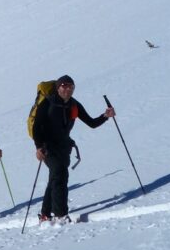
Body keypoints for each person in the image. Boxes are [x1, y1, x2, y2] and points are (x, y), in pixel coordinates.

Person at [31, 75, 112, 222]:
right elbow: (36, 127)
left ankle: (45, 214)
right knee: (60, 175)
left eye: (71, 87)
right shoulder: (47, 103)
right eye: (64, 86)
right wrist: (38, 147)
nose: (68, 89)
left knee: (56, 178)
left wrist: (105, 116)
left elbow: (91, 123)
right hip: (47, 147)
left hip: (64, 147)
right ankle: (61, 215)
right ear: (57, 87)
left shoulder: (74, 104)